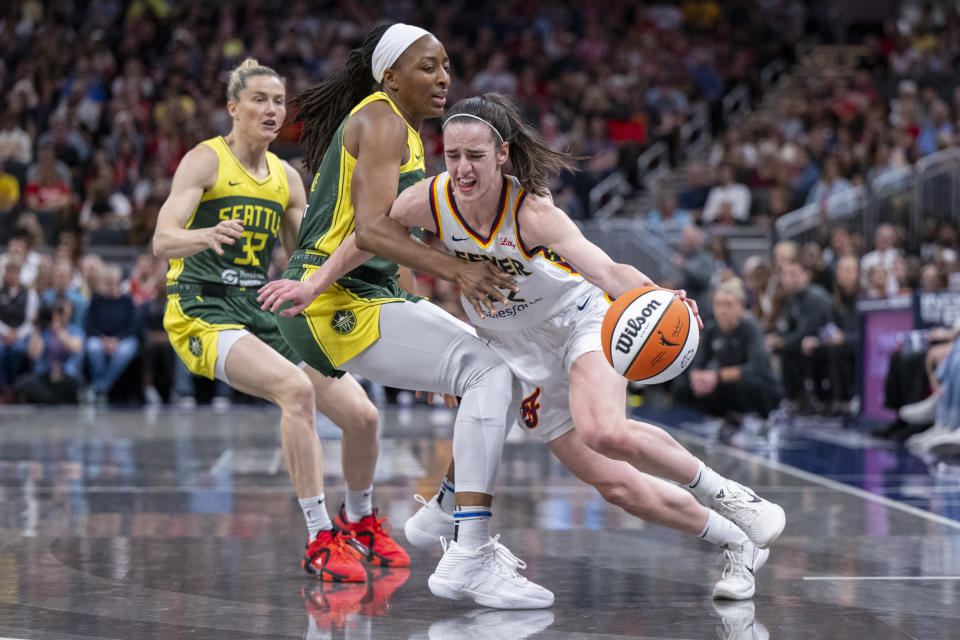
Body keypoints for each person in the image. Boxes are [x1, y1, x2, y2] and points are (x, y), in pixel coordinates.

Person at [268, 93, 788, 601]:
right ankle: (736, 541)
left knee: (604, 429)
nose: (463, 169)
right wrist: (313, 283)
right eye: (452, 156)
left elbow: (607, 271)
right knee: (619, 488)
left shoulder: (533, 213)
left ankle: (733, 498)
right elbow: (369, 235)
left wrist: (653, 294)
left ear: (502, 154)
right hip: (517, 352)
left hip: (578, 324)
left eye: (475, 156)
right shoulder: (430, 199)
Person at [257, 25, 552, 609]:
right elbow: (370, 231)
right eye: (427, 66)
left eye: (446, 65)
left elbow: (387, 242)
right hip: (332, 303)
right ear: (390, 75)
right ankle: (467, 546)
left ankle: (446, 510)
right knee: (491, 374)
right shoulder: (384, 121)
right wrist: (459, 271)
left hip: (363, 295)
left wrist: (425, 326)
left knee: (501, 373)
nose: (443, 77)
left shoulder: (406, 131)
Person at [152, 58, 395, 586]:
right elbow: (161, 238)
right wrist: (204, 235)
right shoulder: (205, 161)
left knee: (364, 416)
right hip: (201, 308)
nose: (271, 110)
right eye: (259, 100)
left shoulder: (287, 178)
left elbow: (301, 259)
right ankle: (318, 537)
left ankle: (361, 522)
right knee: (295, 390)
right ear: (233, 108)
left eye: (279, 101)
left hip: (259, 311)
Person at [678, 278, 781, 426]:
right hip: (727, 387)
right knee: (684, 386)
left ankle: (754, 424)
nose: (723, 310)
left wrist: (716, 376)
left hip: (761, 391)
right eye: (719, 305)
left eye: (729, 305)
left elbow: (757, 369)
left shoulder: (751, 328)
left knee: (743, 384)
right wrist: (697, 377)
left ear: (740, 307)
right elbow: (697, 362)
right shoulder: (713, 330)